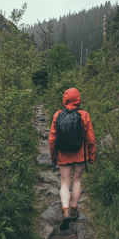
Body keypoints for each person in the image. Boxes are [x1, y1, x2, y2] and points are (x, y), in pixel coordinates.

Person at [49, 88, 96, 230]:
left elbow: (52, 139)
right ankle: (74, 209)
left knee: (64, 183)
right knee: (77, 180)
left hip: (63, 155)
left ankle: (65, 211)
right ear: (78, 99)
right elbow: (90, 138)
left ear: (65, 99)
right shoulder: (84, 115)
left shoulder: (57, 115)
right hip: (80, 155)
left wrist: (54, 156)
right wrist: (91, 155)